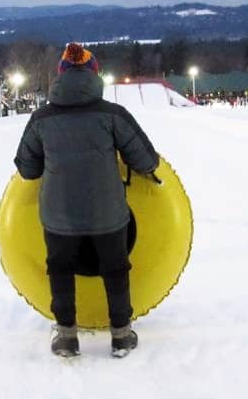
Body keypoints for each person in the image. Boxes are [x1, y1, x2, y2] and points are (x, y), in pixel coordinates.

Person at [14, 43, 159, 358]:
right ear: (95, 74)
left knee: (61, 270)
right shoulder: (113, 115)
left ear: (60, 76)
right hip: (108, 214)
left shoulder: (41, 119)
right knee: (116, 269)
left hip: (58, 217)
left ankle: (67, 337)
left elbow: (27, 169)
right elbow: (146, 161)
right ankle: (121, 335)